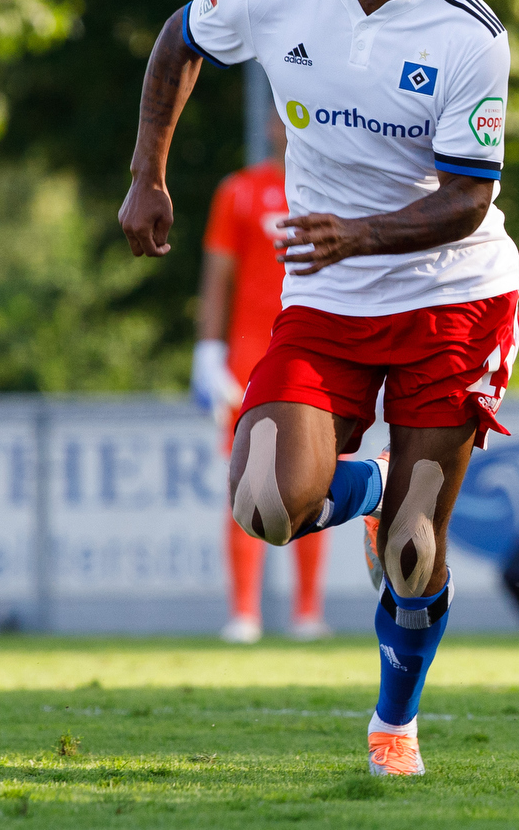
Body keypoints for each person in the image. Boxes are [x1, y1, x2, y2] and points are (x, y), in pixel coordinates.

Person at [119, 0, 519, 777]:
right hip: (330, 300)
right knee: (262, 500)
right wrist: (147, 174)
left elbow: (469, 200)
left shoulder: (470, 32)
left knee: (415, 556)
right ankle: (374, 484)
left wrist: (362, 233)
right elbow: (179, 38)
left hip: (451, 296)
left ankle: (394, 725)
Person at [193, 112, 332, 644]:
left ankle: (307, 611)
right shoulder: (240, 191)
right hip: (248, 360)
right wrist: (208, 350)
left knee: (317, 477)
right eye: (276, 113)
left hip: (317, 353)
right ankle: (244, 612)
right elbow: (218, 275)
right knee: (245, 482)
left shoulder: (336, 187)